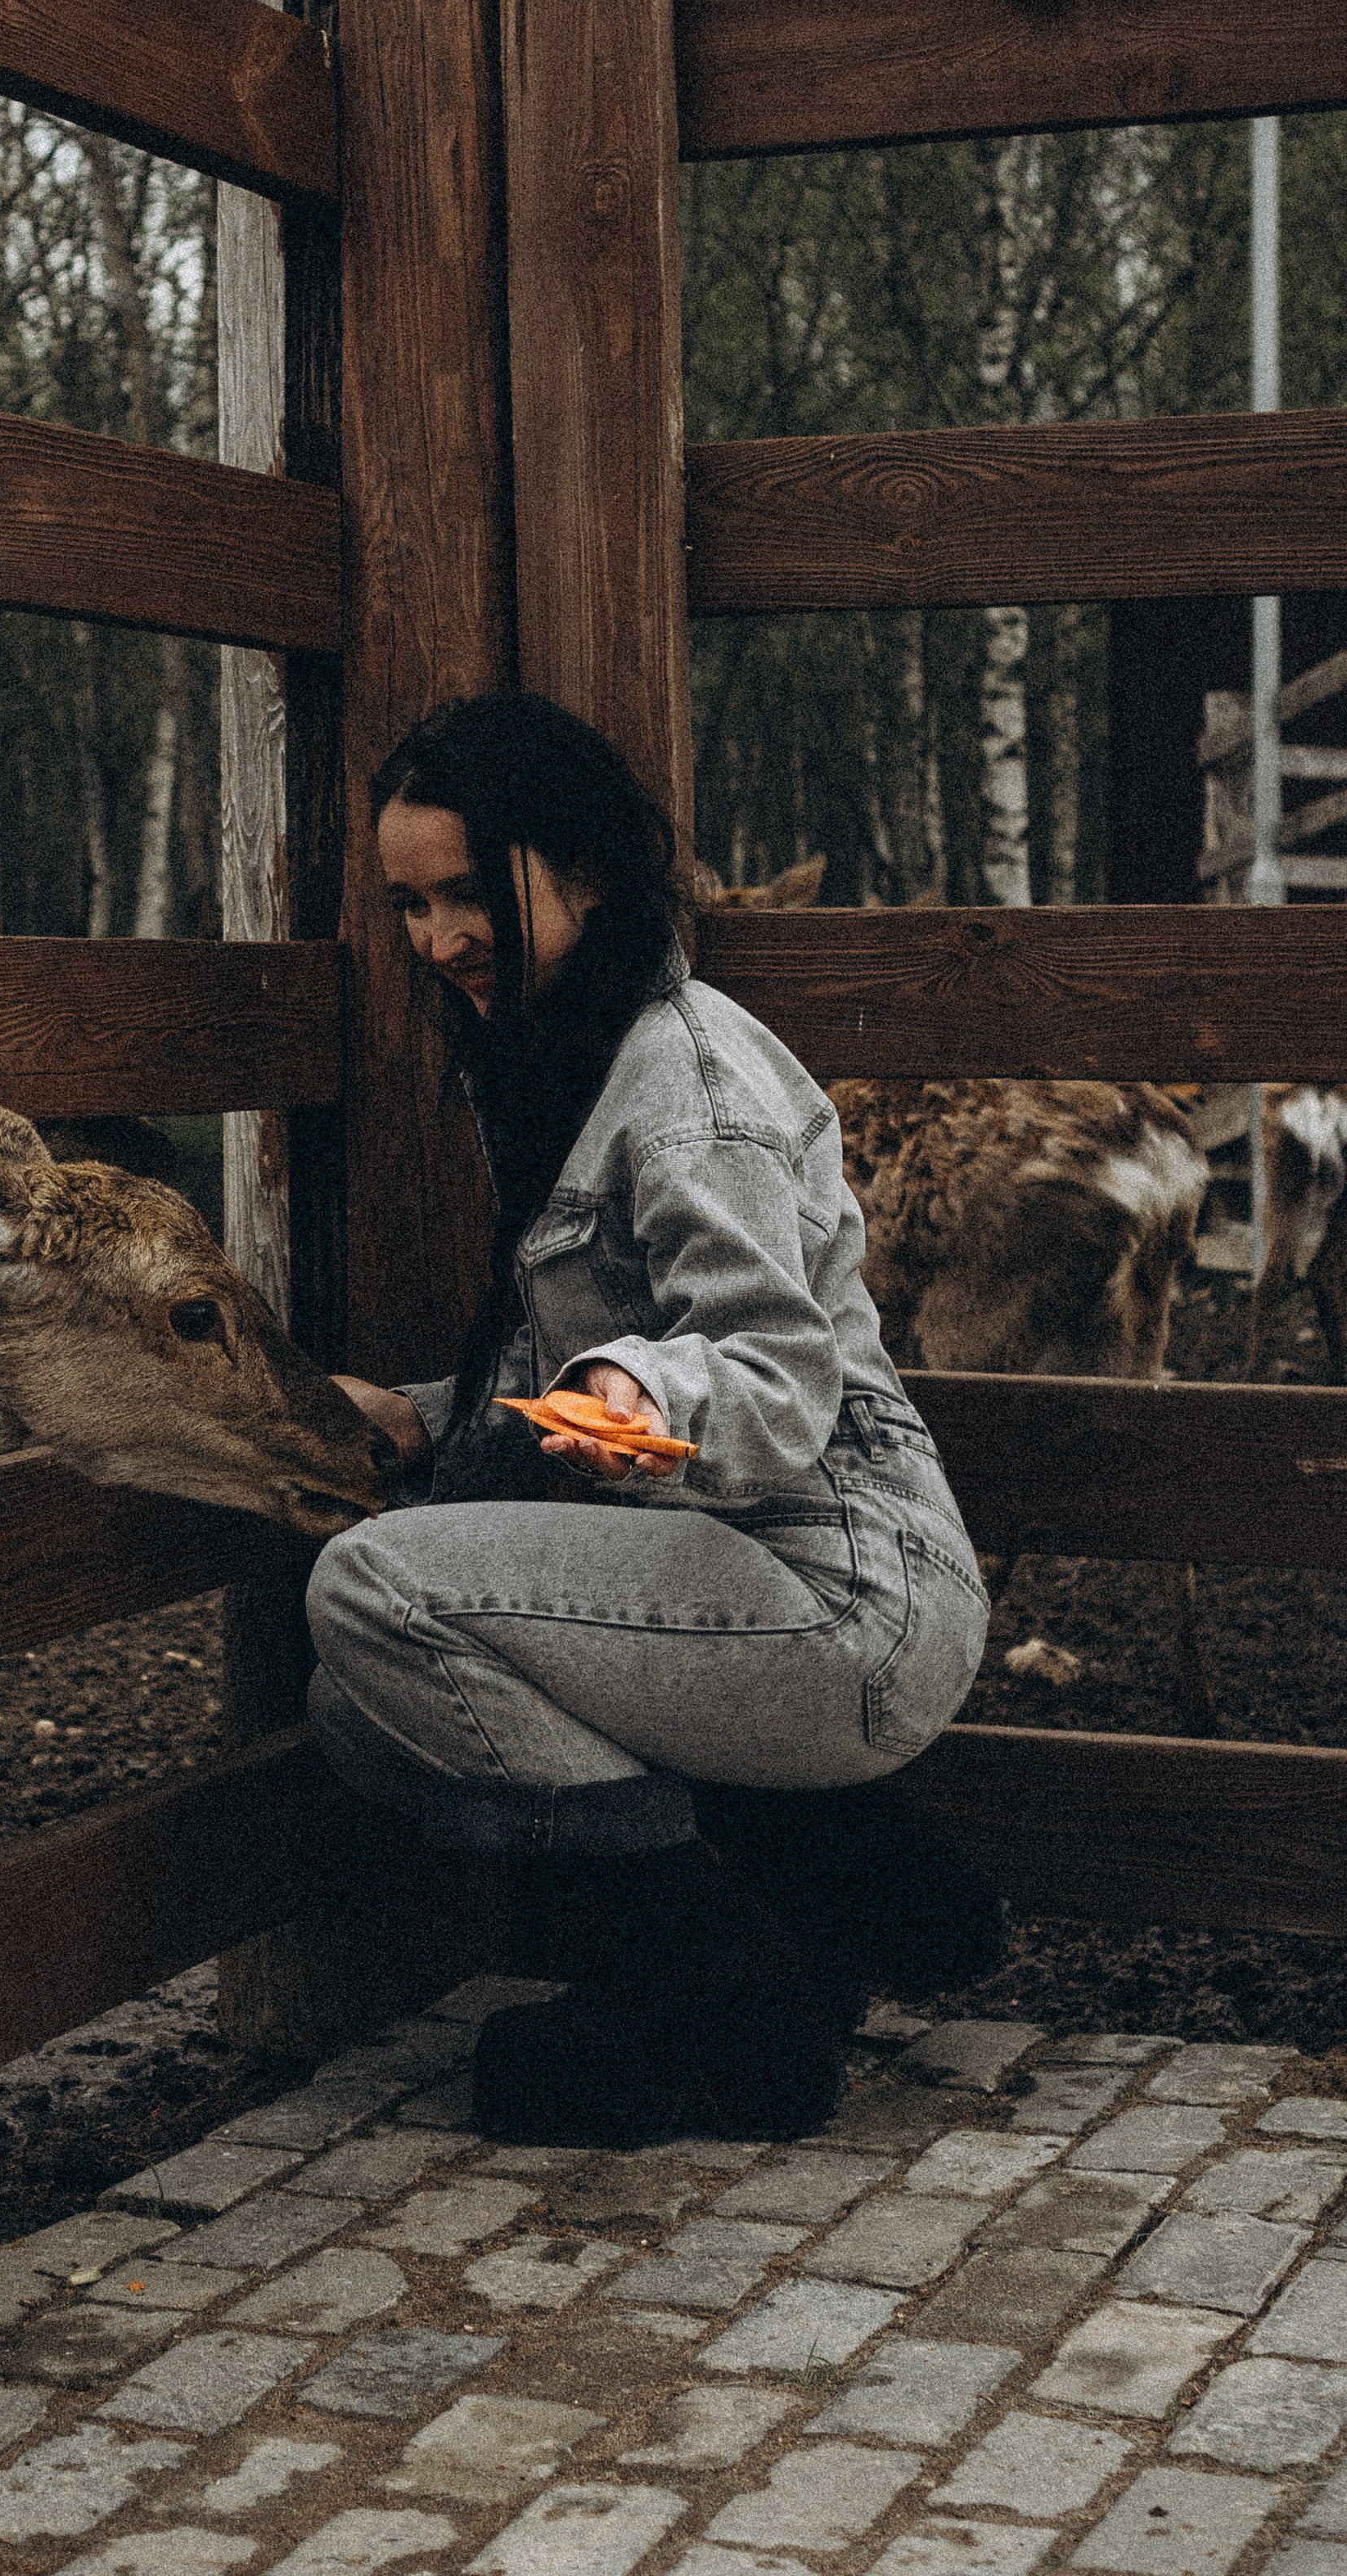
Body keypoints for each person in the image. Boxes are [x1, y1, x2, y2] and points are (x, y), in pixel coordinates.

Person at [316, 690, 1003, 2149]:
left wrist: (646, 1389)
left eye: (467, 894)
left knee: (372, 1589)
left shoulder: (687, 1081)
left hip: (838, 1592)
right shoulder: (569, 1053)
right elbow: (583, 1384)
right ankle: (826, 1875)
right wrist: (421, 1420)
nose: (438, 941)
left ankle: (725, 1991)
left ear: (587, 870)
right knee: (360, 1703)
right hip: (739, 1588)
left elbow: (766, 1372)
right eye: (407, 904)